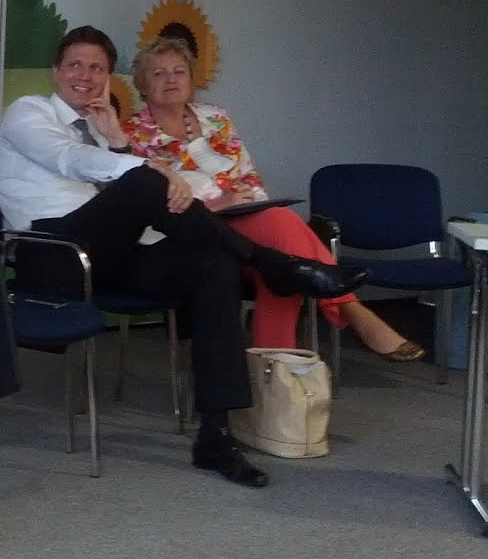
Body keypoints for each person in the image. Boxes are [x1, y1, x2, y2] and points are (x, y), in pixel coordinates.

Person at [0, 26, 367, 488]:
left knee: (213, 265)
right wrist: (150, 167)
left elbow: (122, 192)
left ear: (108, 77)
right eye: (75, 65)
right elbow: (69, 160)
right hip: (50, 256)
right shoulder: (28, 112)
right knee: (146, 182)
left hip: (107, 256)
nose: (85, 76)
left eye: (97, 68)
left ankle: (216, 435)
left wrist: (118, 140)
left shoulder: (102, 126)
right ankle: (274, 264)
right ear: (56, 71)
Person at [123, 36, 422, 361]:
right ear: (142, 85)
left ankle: (274, 374)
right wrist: (216, 205)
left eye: (179, 71)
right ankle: (350, 309)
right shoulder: (132, 134)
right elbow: (150, 206)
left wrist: (246, 204)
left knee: (283, 269)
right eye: (159, 73)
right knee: (285, 244)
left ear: (190, 79)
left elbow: (248, 178)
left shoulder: (215, 118)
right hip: (185, 237)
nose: (171, 79)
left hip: (243, 225)